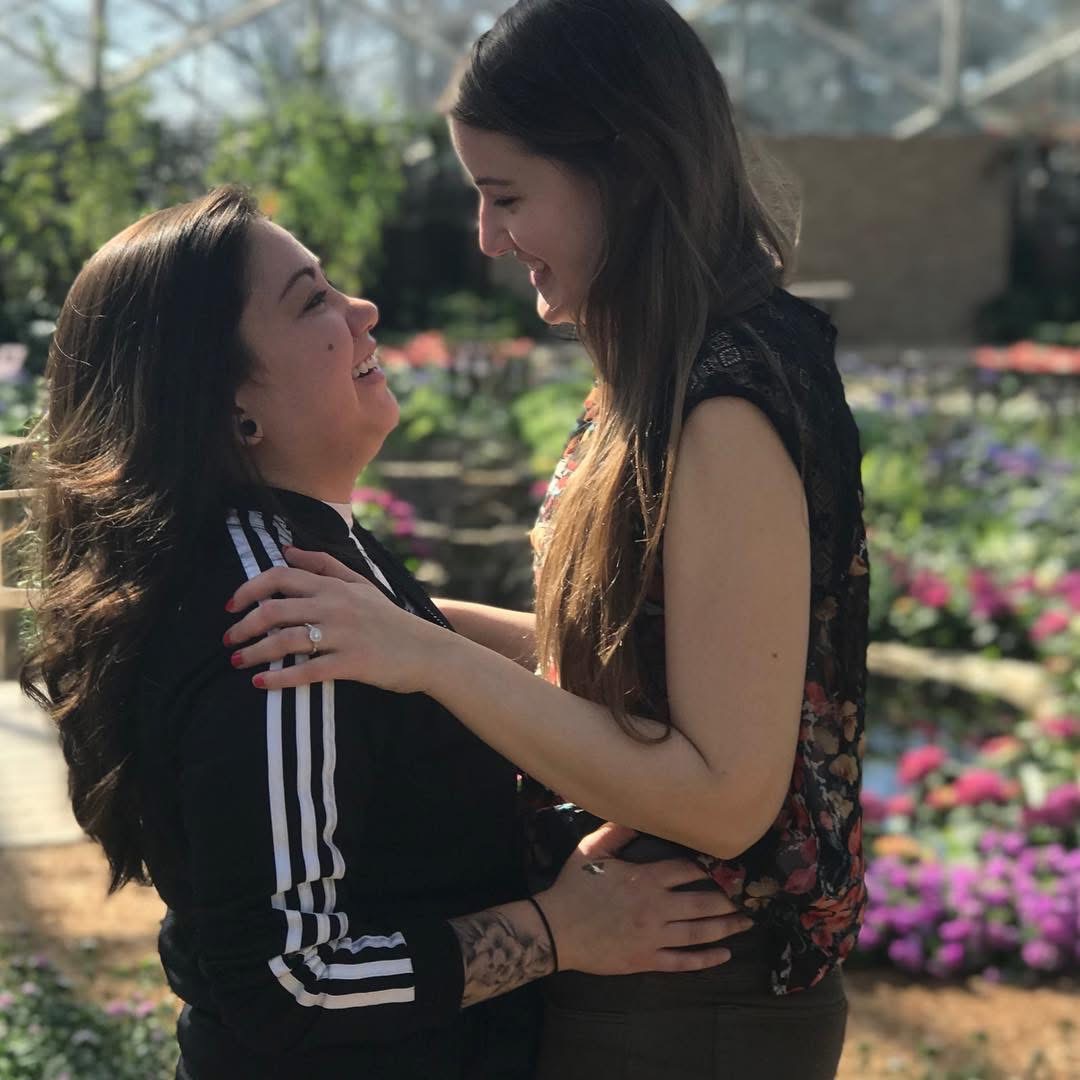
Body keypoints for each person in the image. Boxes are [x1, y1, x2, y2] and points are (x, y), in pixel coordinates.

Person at [228, 1, 870, 1076]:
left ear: (627, 170)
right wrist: (395, 619)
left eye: (508, 196)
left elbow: (724, 798)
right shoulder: (664, 369)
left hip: (697, 993)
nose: (488, 237)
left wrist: (425, 655)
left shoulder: (723, 405)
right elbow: (635, 665)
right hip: (653, 969)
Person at [18, 185, 750, 1080]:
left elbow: (421, 652)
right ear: (230, 402)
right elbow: (288, 985)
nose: (362, 309)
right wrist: (561, 932)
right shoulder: (278, 617)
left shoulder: (306, 561)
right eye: (311, 301)